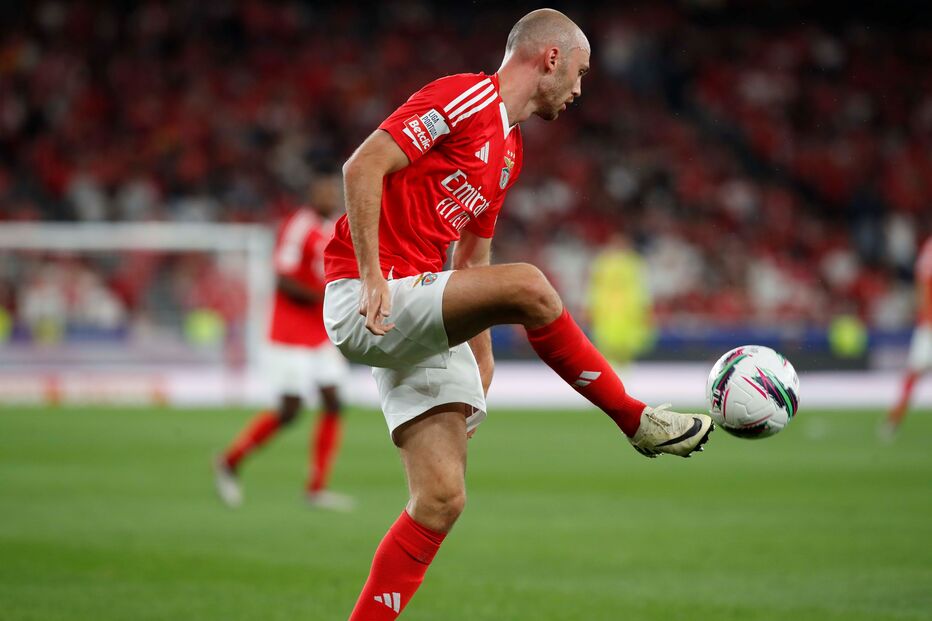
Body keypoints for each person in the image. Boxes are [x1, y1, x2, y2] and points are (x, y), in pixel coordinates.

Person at [322, 9, 713, 618]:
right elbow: (362, 165)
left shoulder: (509, 150)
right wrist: (372, 272)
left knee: (441, 499)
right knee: (532, 286)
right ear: (550, 59)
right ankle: (635, 419)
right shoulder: (462, 97)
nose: (581, 89)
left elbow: (472, 258)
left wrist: (480, 346)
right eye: (580, 72)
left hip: (417, 303)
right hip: (367, 295)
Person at [214, 172, 352, 511]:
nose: (329, 195)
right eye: (322, 190)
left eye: (332, 190)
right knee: (291, 409)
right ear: (311, 193)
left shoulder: (336, 225)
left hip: (320, 331)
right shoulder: (298, 226)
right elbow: (283, 278)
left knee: (334, 400)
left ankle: (317, 488)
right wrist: (326, 295)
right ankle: (229, 461)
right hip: (288, 331)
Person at [883, 235, 932, 439]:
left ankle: (892, 422)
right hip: (929, 325)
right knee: (914, 372)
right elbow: (923, 283)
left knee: (914, 372)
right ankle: (893, 420)